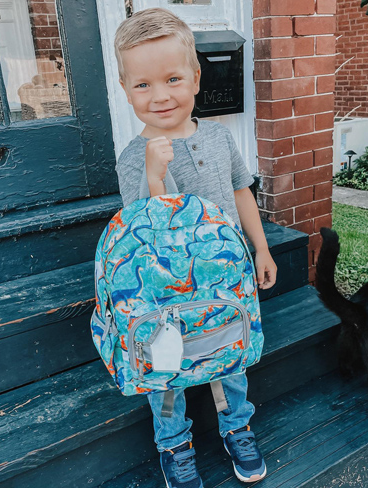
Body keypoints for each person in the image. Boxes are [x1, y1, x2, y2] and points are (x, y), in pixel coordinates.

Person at [113, 8, 277, 488]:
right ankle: (174, 445)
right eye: (142, 85)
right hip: (164, 291)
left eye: (172, 78)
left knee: (228, 355)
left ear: (196, 78)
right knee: (165, 368)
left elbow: (242, 190)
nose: (160, 95)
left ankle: (236, 427)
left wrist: (261, 249)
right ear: (125, 90)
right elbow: (141, 230)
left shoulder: (220, 137)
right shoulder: (132, 158)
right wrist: (154, 175)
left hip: (225, 279)